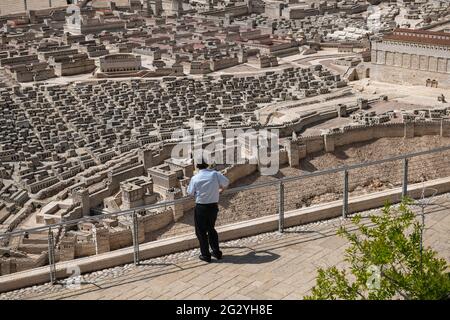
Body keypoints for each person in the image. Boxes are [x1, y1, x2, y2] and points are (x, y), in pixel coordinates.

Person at [187, 159, 230, 263]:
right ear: (206, 165)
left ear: (197, 167)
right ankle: (216, 252)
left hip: (201, 207)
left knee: (201, 232)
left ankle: (206, 255)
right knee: (211, 229)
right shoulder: (215, 174)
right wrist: (220, 191)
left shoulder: (195, 178)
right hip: (213, 207)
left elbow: (190, 193)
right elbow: (226, 182)